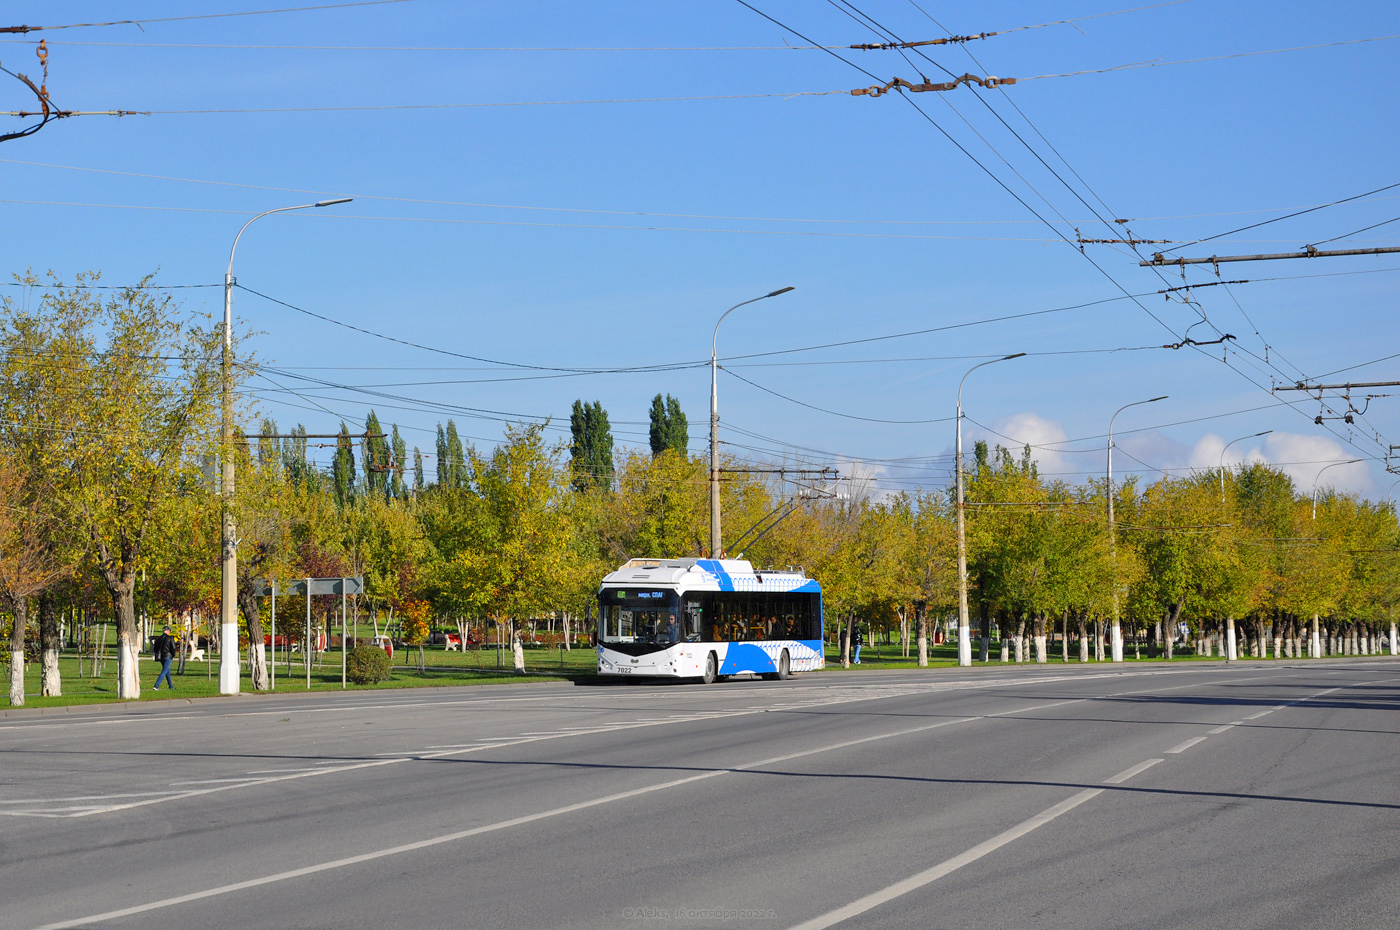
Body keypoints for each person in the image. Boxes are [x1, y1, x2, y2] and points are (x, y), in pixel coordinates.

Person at [152, 626, 178, 690]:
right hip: (168, 656)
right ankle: (156, 685)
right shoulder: (170, 638)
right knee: (164, 671)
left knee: (167, 671)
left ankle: (171, 686)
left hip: (161, 657)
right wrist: (173, 654)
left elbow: (155, 648)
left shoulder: (159, 639)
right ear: (168, 631)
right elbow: (173, 647)